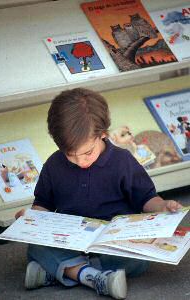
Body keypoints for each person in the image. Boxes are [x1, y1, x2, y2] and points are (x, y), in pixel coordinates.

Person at [16, 88, 182, 299]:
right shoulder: (54, 164)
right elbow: (43, 203)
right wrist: (30, 219)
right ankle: (93, 277)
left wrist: (163, 206)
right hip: (70, 240)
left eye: (87, 153)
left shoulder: (122, 161)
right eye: (70, 155)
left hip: (112, 242)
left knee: (138, 260)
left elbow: (147, 198)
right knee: (36, 246)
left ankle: (61, 272)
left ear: (103, 134)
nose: (81, 161)